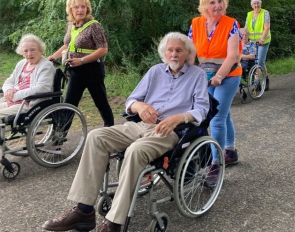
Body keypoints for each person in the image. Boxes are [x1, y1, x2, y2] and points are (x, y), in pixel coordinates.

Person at [42, 32, 210, 232]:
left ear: (187, 53)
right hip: (139, 125)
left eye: (179, 50)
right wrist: (139, 106)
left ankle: (114, 222)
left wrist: (179, 117)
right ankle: (84, 211)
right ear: (164, 53)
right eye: (170, 50)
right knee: (96, 136)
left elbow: (202, 109)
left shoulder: (197, 75)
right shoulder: (155, 71)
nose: (173, 54)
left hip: (168, 130)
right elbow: (131, 100)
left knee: (135, 150)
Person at [188, 0, 242, 166]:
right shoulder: (195, 24)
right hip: (206, 75)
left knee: (216, 117)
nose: (217, 6)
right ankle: (231, 151)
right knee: (224, 114)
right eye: (212, 2)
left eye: (220, 1)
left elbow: (232, 55)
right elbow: (190, 53)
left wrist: (219, 76)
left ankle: (216, 164)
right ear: (204, 6)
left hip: (229, 75)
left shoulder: (231, 24)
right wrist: (184, 73)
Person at [47, 0, 114, 127]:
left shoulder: (94, 26)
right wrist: (53, 57)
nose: (80, 10)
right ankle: (58, 141)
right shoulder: (71, 25)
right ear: (70, 9)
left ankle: (110, 130)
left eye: (83, 7)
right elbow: (67, 45)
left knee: (101, 103)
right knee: (69, 104)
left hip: (92, 70)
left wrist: (82, 60)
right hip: (75, 71)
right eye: (76, 7)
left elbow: (103, 49)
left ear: (87, 8)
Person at [1, 34, 55, 120]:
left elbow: (42, 88)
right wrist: (8, 90)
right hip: (13, 100)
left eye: (33, 50)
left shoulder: (46, 66)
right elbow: (10, 80)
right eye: (25, 51)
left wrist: (15, 96)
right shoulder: (22, 63)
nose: (29, 54)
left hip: (29, 103)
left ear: (40, 50)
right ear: (22, 53)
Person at [245, 0, 271, 90]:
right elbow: (246, 28)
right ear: (252, 5)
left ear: (260, 4)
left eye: (258, 3)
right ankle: (264, 79)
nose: (256, 5)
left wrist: (262, 39)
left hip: (263, 41)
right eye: (254, 4)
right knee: (254, 61)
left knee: (259, 61)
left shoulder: (265, 13)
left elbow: (267, 27)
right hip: (252, 42)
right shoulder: (249, 14)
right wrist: (243, 38)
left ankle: (258, 81)